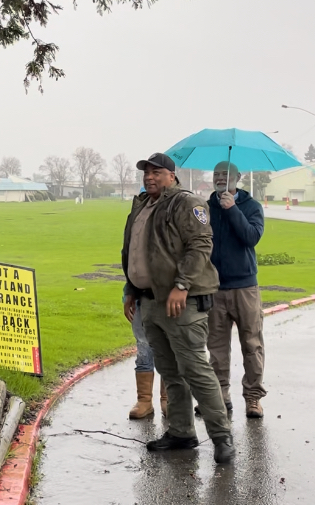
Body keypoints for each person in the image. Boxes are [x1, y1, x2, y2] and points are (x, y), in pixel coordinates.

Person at [122, 153, 234, 464]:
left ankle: (222, 436)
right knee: (170, 371)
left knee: (195, 369)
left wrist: (182, 285)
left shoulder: (187, 203)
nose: (150, 177)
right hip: (150, 300)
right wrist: (132, 288)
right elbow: (135, 251)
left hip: (181, 301)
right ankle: (182, 431)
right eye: (146, 172)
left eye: (157, 172)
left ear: (172, 175)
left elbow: (200, 245)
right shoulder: (143, 205)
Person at [206, 162, 266, 419]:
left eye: (226, 174)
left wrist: (232, 210)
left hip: (245, 287)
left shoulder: (251, 207)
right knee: (217, 348)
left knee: (252, 345)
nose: (220, 178)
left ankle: (253, 398)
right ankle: (220, 396)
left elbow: (251, 237)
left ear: (238, 178)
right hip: (214, 288)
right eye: (216, 174)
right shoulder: (205, 208)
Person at [124, 289, 166, 419]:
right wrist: (128, 294)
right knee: (143, 350)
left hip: (168, 299)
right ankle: (144, 400)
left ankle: (168, 399)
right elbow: (131, 269)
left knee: (169, 351)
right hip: (140, 299)